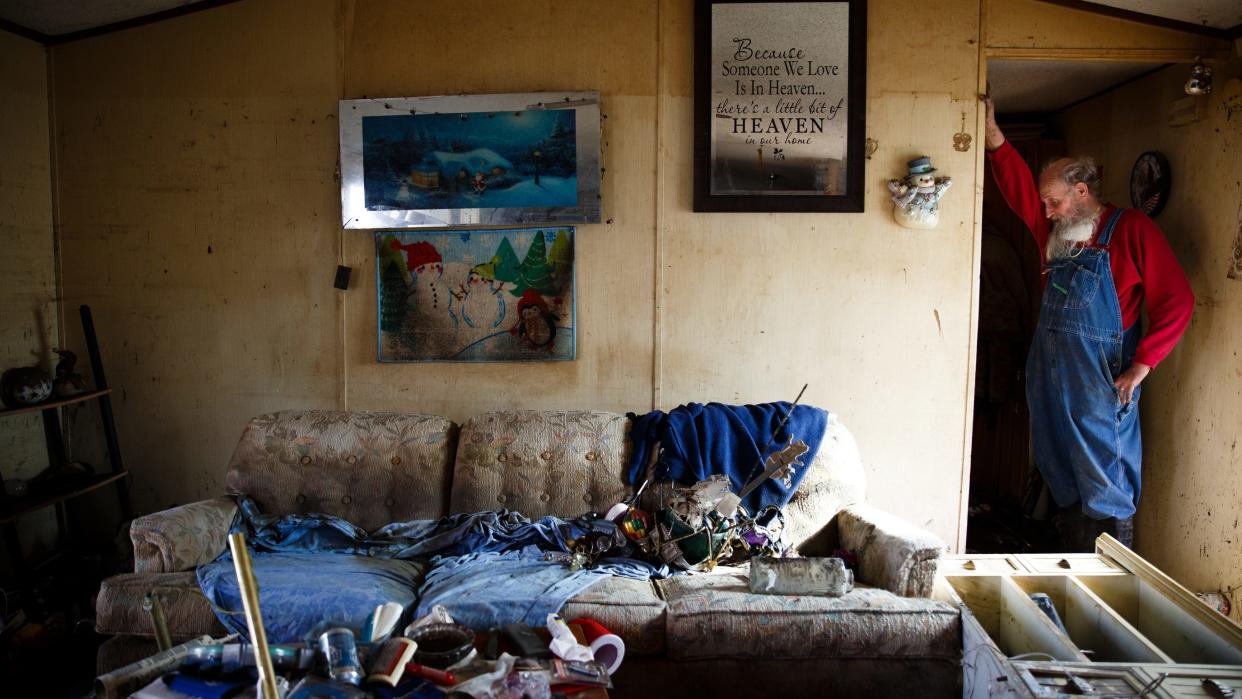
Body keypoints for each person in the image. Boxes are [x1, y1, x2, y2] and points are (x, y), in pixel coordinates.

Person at [982, 96, 1194, 551]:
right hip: (1051, 375)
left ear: (1081, 192)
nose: (1046, 211)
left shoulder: (1132, 229)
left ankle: (1110, 589)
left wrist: (1142, 366)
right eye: (1045, 204)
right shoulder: (1057, 235)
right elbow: (1019, 191)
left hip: (1100, 381)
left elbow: (1177, 299)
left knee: (1106, 477)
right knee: (1060, 470)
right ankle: (1073, 576)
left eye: (1053, 201)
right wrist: (995, 139)